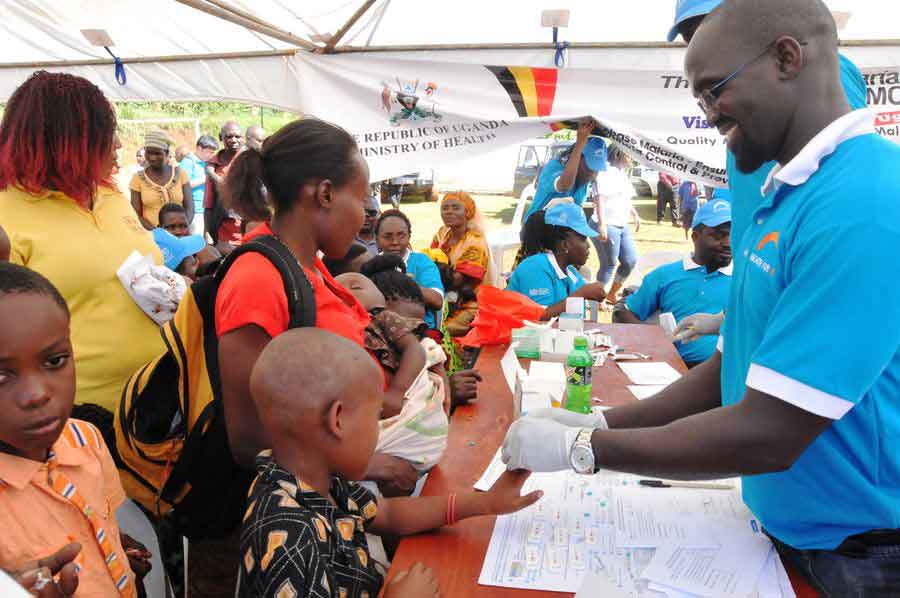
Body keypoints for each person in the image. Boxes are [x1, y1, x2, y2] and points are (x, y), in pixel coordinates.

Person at [503, 2, 900, 595]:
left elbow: (771, 430)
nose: (709, 116)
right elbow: (731, 367)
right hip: (787, 527)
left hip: (857, 553)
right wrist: (599, 419)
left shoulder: (862, 205)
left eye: (714, 91)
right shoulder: (781, 191)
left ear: (787, 58)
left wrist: (584, 447)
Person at [205, 118, 425, 597]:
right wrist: (369, 462)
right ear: (324, 194)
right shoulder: (258, 279)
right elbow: (249, 439)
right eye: (361, 201)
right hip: (309, 520)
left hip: (340, 490)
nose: (366, 216)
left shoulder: (313, 267)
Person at [237, 328, 542, 598]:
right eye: (376, 417)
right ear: (338, 420)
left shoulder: (316, 478)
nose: (380, 427)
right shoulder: (288, 538)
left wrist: (482, 504)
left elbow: (387, 514)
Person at [668, 0, 868, 344]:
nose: (698, 44)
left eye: (705, 27)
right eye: (690, 36)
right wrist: (728, 318)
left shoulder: (819, 76)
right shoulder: (745, 116)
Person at [0, 71, 164, 415]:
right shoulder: (6, 217)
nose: (118, 144)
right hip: (75, 422)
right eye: (106, 134)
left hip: (157, 406)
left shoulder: (109, 194)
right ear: (65, 141)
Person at [0, 263, 152, 597]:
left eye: (54, 361)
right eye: (2, 376)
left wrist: (121, 557)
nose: (38, 394)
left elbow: (106, 521)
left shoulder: (85, 438)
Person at [613, 199, 732, 368]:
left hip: (729, 373)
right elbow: (623, 312)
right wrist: (658, 343)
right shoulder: (664, 275)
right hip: (674, 369)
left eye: (733, 235)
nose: (728, 243)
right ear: (695, 237)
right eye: (718, 236)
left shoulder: (746, 280)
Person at [336, 269, 427, 420]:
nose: (346, 291)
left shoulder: (383, 317)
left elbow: (414, 349)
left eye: (356, 287)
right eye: (335, 290)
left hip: (396, 398)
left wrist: (397, 391)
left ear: (381, 299)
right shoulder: (337, 326)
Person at [507, 203, 607, 320]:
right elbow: (538, 317)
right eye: (583, 239)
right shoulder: (535, 267)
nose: (588, 246)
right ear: (564, 244)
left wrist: (594, 291)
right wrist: (581, 294)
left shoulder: (571, 273)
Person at [430, 192, 494, 336]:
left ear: (467, 212)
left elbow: (457, 280)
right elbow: (429, 262)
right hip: (445, 297)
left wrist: (433, 273)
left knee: (440, 330)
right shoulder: (442, 233)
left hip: (471, 303)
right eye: (445, 208)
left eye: (455, 207)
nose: (449, 212)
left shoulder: (475, 240)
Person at [524, 119, 606, 221]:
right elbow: (564, 185)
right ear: (578, 158)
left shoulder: (584, 183)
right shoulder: (554, 167)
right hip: (535, 230)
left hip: (559, 233)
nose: (593, 173)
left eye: (597, 169)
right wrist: (580, 143)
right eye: (589, 167)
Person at [589, 143, 641, 305]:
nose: (632, 157)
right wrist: (602, 224)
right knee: (608, 264)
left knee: (630, 260)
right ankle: (596, 301)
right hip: (607, 224)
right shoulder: (606, 173)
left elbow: (623, 197)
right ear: (619, 154)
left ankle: (611, 294)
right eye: (629, 154)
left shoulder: (622, 174)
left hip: (621, 224)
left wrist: (634, 213)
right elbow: (600, 199)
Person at [376, 209, 444, 331]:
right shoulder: (372, 264)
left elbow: (437, 300)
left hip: (421, 331)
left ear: (409, 236)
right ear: (377, 238)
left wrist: (402, 283)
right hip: (382, 331)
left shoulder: (421, 262)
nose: (395, 242)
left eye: (401, 235)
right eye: (387, 236)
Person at [129, 130, 193, 230]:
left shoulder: (180, 173)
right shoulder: (137, 179)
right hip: (152, 236)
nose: (152, 158)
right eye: (149, 153)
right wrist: (158, 233)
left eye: (158, 153)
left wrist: (182, 228)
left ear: (167, 153)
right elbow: (136, 214)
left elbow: (190, 207)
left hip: (181, 234)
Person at [204, 121, 244, 251]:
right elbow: (209, 203)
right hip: (222, 226)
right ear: (221, 137)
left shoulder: (248, 160)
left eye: (237, 137)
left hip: (247, 225)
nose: (234, 140)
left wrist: (213, 175)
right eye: (229, 136)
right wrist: (208, 232)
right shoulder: (214, 164)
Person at [178, 134, 218, 236]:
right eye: (209, 152)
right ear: (199, 148)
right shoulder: (188, 162)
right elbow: (182, 184)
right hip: (194, 210)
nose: (211, 155)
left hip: (206, 209)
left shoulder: (207, 163)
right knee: (196, 239)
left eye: (213, 153)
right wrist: (205, 179)